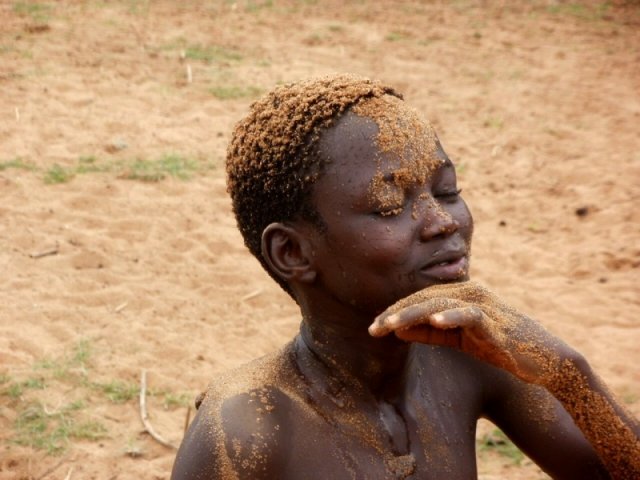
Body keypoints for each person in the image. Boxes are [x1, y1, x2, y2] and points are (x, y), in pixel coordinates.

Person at [171, 74, 639, 479]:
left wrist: (568, 375)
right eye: (388, 206)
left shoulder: (468, 355)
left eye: (446, 190)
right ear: (292, 252)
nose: (443, 221)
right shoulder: (246, 429)